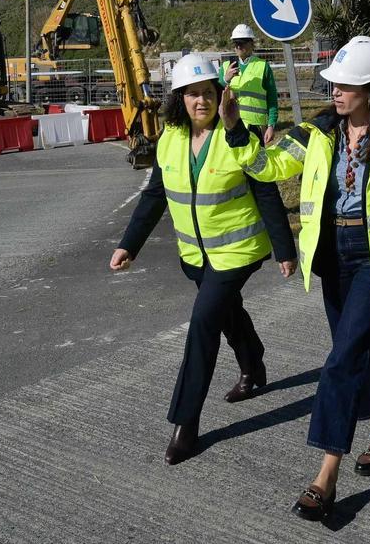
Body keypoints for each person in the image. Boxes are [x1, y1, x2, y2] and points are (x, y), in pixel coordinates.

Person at [219, 35, 370, 522]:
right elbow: (267, 167)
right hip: (332, 255)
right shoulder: (316, 132)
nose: (334, 90)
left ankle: (326, 472)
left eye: (346, 84)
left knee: (340, 360)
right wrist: (233, 129)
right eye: (333, 82)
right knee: (361, 348)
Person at [110, 54, 297, 466]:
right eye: (193, 94)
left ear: (220, 95)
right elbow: (156, 194)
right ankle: (253, 363)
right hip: (195, 254)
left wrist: (285, 249)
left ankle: (186, 423)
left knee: (202, 325)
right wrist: (130, 244)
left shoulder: (235, 135)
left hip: (237, 251)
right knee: (225, 313)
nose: (201, 101)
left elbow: (265, 189)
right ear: (179, 98)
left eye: (208, 93)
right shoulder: (171, 138)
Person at [219, 24, 280, 145]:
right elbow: (216, 95)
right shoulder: (225, 67)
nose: (238, 46)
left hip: (256, 127)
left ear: (251, 44)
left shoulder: (263, 66)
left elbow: (272, 99)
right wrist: (225, 80)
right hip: (231, 125)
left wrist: (271, 126)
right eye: (236, 43)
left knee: (257, 162)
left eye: (242, 43)